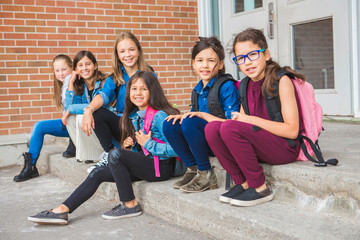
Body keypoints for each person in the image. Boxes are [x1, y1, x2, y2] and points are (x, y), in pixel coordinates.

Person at [28, 71, 178, 225]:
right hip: (147, 164)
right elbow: (142, 149)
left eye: (143, 89)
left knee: (114, 154)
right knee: (98, 172)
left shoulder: (160, 116)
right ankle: (62, 210)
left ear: (153, 91)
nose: (137, 93)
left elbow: (177, 149)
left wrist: (148, 144)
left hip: (161, 167)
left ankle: (130, 204)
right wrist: (133, 146)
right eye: (134, 89)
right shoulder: (135, 115)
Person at [204, 28, 305, 207]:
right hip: (262, 143)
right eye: (241, 58)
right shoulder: (245, 85)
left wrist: (251, 120)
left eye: (252, 55)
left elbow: (291, 130)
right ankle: (242, 182)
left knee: (229, 127)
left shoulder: (281, 81)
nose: (247, 63)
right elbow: (239, 124)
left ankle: (259, 187)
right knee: (212, 129)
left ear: (266, 54)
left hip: (284, 147)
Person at [162, 36, 240, 193]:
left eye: (211, 61)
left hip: (222, 141)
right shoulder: (197, 90)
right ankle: (193, 169)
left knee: (191, 121)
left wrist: (201, 117)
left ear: (221, 64)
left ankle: (206, 173)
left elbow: (233, 124)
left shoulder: (226, 87)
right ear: (193, 64)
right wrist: (182, 117)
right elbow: (194, 120)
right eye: (199, 60)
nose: (205, 65)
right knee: (169, 124)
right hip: (203, 143)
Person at [83, 32, 154, 173]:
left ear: (138, 51)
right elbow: (102, 96)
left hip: (142, 125)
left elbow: (156, 101)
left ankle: (127, 154)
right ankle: (110, 156)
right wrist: (88, 109)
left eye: (131, 49)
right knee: (98, 113)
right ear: (117, 55)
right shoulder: (116, 77)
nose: (127, 54)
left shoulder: (149, 74)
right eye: (122, 51)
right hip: (123, 124)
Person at [13, 54, 75, 182]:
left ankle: (73, 142)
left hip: (78, 126)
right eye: (57, 70)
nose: (61, 73)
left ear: (71, 68)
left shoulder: (74, 82)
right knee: (39, 126)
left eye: (64, 69)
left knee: (40, 126)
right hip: (68, 125)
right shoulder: (62, 85)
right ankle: (30, 166)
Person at [62, 50, 107, 163]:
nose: (84, 68)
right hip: (93, 130)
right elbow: (69, 107)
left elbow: (101, 106)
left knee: (80, 117)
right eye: (80, 65)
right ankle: (88, 154)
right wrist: (71, 83)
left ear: (95, 66)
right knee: (70, 117)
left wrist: (70, 109)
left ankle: (102, 154)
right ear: (76, 69)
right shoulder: (81, 86)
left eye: (88, 64)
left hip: (106, 129)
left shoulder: (104, 82)